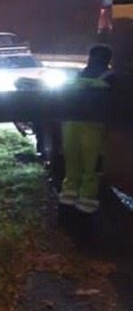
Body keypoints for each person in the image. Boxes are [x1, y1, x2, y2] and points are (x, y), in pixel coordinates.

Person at [58, 44, 112, 215]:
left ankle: (76, 195)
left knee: (81, 161)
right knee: (88, 163)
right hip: (89, 124)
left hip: (78, 123)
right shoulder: (108, 77)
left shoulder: (85, 75)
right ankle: (82, 197)